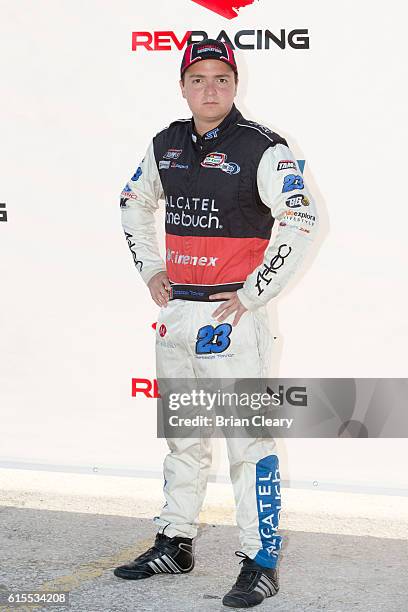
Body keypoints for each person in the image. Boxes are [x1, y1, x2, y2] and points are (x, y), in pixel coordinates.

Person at [114, 39, 318, 608]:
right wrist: (152, 270)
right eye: (198, 78)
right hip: (178, 314)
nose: (210, 88)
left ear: (236, 85)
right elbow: (132, 202)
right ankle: (176, 541)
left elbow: (301, 219)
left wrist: (255, 291)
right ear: (183, 85)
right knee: (183, 439)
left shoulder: (264, 147)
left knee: (248, 444)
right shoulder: (166, 144)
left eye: (221, 79)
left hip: (234, 323)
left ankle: (262, 561)